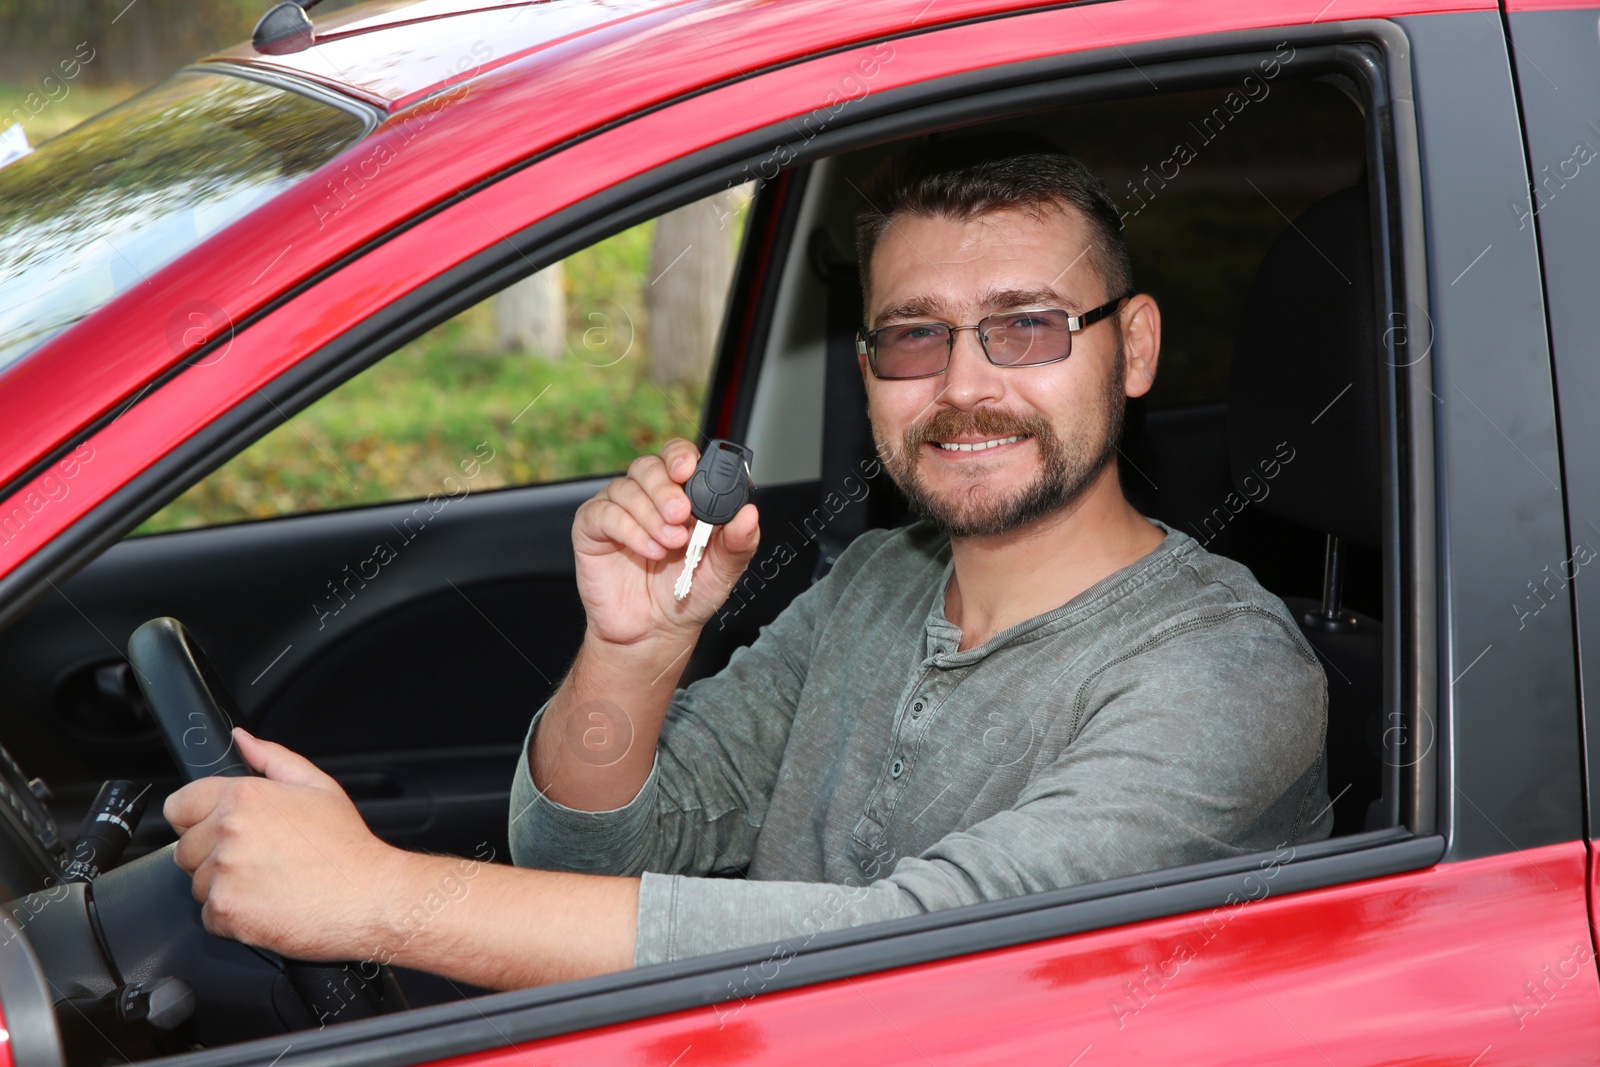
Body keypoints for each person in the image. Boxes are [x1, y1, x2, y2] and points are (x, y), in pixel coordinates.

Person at [164, 140, 1332, 993]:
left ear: (1129, 349)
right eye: (913, 336)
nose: (964, 387)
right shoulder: (877, 577)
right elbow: (586, 850)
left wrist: (383, 899)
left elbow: (905, 948)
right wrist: (633, 653)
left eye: (1025, 326)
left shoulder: (1228, 673)